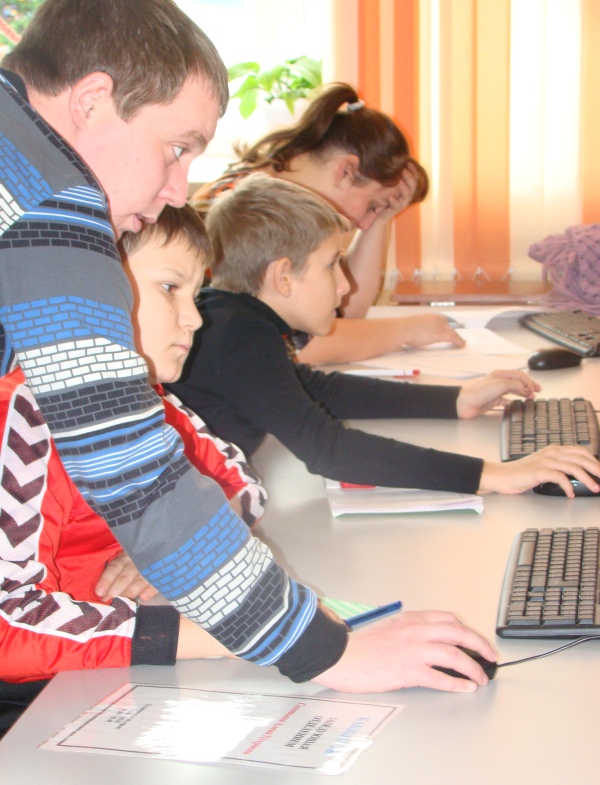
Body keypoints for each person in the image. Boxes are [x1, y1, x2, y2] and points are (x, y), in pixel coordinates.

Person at [0, 0, 497, 707]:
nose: (180, 188)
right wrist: (321, 648)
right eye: (177, 148)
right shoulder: (50, 203)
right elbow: (129, 467)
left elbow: (183, 472)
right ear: (91, 101)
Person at [0, 204, 268, 736]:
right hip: (35, 697)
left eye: (195, 295)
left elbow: (243, 486)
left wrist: (172, 545)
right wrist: (205, 634)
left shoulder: (148, 400)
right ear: (89, 291)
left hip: (108, 668)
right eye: (170, 288)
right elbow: (8, 629)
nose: (195, 318)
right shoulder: (27, 416)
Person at [169, 174, 600, 500]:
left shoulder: (234, 321)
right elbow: (329, 450)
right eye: (332, 265)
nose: (345, 286)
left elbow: (313, 389)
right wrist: (496, 474)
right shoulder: (239, 335)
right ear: (283, 276)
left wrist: (456, 399)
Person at [191, 81, 465, 366]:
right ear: (345, 171)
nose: (363, 222)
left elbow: (340, 311)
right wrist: (407, 330)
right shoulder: (248, 209)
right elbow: (299, 347)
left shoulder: (277, 201)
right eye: (372, 205)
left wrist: (381, 220)